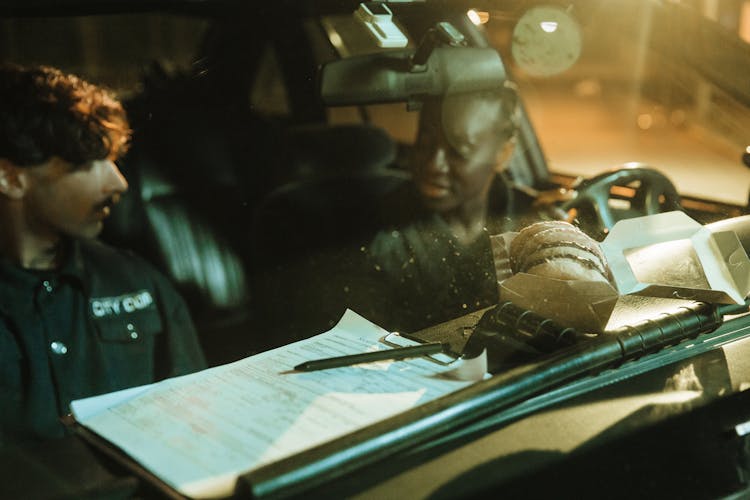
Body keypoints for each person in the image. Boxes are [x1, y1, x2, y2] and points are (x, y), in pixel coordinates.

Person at [0, 63, 206, 445]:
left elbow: (199, 421)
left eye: (112, 160)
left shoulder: (138, 281)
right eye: (86, 163)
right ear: (11, 177)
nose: (119, 182)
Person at [358, 85, 536, 333]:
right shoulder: (381, 236)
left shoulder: (533, 218)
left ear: (503, 153)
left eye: (458, 150)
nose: (433, 164)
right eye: (424, 142)